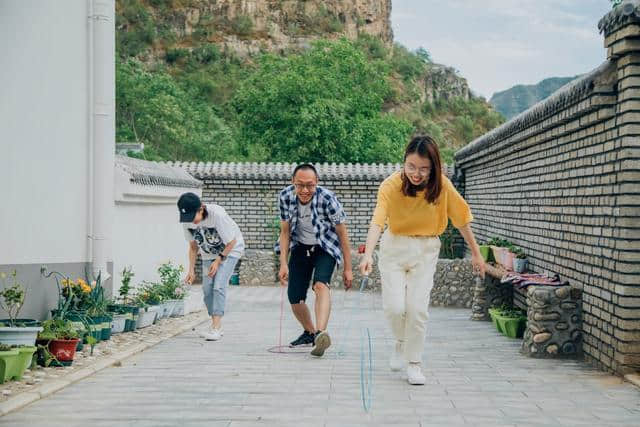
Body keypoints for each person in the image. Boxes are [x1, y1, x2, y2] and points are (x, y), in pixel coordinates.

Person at [359, 135, 485, 385]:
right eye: (411, 167)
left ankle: (414, 363)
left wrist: (477, 254)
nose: (416, 174)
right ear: (404, 162)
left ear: (434, 167)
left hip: (426, 249)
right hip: (394, 247)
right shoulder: (390, 185)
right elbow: (377, 220)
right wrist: (367, 253)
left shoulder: (443, 187)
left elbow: (461, 220)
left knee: (417, 309)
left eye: (424, 169)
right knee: (395, 307)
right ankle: (400, 343)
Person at [276, 163, 354, 357]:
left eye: (309, 185)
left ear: (317, 183)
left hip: (325, 247)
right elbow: (285, 232)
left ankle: (321, 333)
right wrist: (284, 263)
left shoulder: (328, 198)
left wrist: (348, 268)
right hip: (300, 247)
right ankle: (310, 332)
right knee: (295, 299)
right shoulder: (285, 197)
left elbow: (342, 234)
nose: (304, 190)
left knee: (321, 286)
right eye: (299, 185)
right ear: (293, 183)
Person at [179, 192, 245, 341]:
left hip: (230, 251)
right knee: (207, 289)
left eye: (192, 217)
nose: (191, 222)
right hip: (208, 254)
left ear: (201, 209)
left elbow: (231, 242)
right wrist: (191, 270)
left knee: (218, 286)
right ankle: (215, 324)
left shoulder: (217, 215)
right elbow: (193, 247)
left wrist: (218, 261)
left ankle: (216, 327)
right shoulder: (187, 222)